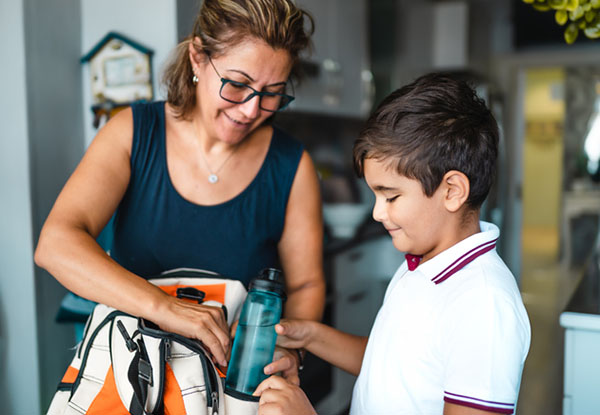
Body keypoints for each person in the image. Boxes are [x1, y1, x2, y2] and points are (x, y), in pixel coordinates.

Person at [35, 0, 325, 382]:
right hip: (132, 380)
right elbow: (56, 245)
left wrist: (288, 351)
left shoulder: (292, 165)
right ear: (197, 58)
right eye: (237, 84)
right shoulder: (132, 132)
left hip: (233, 385)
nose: (252, 110)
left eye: (272, 93)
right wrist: (166, 308)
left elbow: (306, 284)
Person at [255, 73, 531, 414]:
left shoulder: (483, 303)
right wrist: (309, 335)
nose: (376, 213)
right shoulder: (422, 263)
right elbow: (393, 364)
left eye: (391, 196)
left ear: (452, 191)